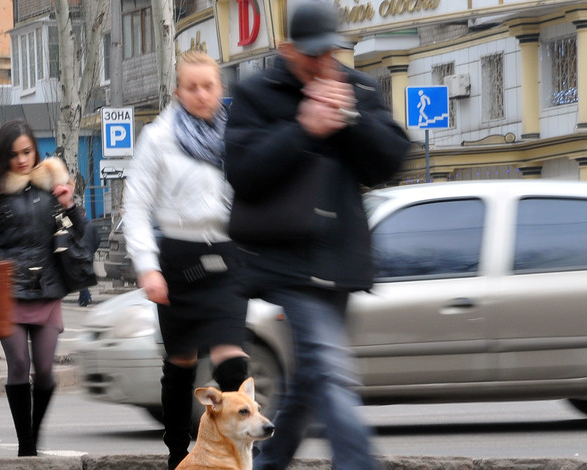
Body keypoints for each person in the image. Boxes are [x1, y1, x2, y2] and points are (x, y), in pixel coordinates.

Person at [223, 2, 410, 469]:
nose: (321, 62)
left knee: (310, 378)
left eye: (329, 52)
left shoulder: (358, 89)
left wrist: (351, 119)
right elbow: (243, 173)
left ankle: (268, 463)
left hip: (342, 258)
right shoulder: (256, 93)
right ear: (286, 50)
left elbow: (391, 164)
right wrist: (302, 128)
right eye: (310, 54)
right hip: (285, 258)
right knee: (330, 369)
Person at [123, 50, 250, 470]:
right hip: (178, 261)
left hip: (227, 258)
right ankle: (179, 454)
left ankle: (243, 454)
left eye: (208, 86)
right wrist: (148, 267)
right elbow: (136, 206)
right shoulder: (158, 138)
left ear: (220, 89)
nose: (200, 94)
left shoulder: (235, 135)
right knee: (181, 366)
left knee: (232, 360)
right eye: (191, 87)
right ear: (178, 90)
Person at [0, 121, 84, 456]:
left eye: (27, 152)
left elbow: (82, 233)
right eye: (13, 154)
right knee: (19, 364)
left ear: (35, 150)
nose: (21, 160)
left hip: (48, 289)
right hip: (8, 291)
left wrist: (70, 204)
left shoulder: (51, 188)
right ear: (2, 156)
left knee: (46, 371)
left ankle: (32, 435)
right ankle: (27, 447)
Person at [78, 209, 101, 307]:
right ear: (85, 213)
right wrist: (92, 250)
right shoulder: (92, 226)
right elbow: (98, 240)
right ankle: (82, 299)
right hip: (89, 254)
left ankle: (86, 297)